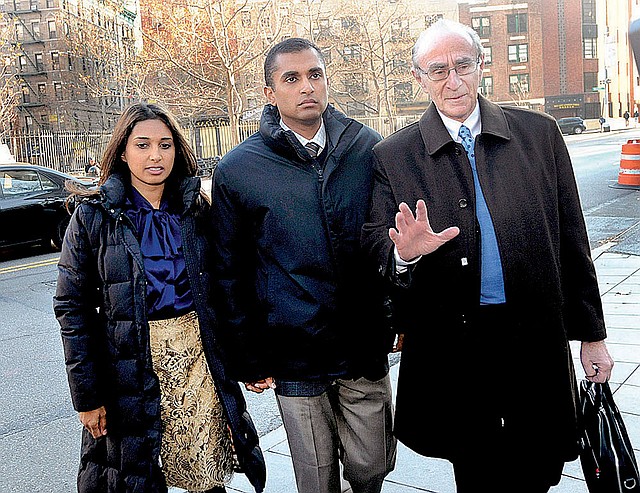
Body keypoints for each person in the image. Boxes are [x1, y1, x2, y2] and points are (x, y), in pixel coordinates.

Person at [360, 19, 614, 493]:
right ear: (419, 79)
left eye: (462, 65)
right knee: (475, 469)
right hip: (455, 347)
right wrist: (404, 255)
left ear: (482, 67)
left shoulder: (539, 133)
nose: (452, 80)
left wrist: (592, 336)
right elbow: (375, 244)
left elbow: (572, 241)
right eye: (437, 70)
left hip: (534, 336)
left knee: (539, 467)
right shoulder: (394, 155)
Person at [210, 38, 397, 493]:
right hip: (293, 351)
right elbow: (229, 271)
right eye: (291, 78)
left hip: (361, 342)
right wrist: (248, 354)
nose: (306, 86)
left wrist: (398, 314)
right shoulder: (238, 168)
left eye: (315, 74)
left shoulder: (366, 148)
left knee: (372, 466)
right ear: (270, 94)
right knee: (315, 479)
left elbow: (387, 243)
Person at [53, 102, 266, 493]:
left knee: (206, 477)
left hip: (198, 364)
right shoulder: (94, 216)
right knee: (138, 477)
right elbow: (72, 308)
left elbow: (226, 291)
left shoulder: (196, 209)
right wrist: (87, 396)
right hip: (130, 366)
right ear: (122, 151)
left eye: (166, 145)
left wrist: (249, 361)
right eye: (143, 144)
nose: (156, 156)